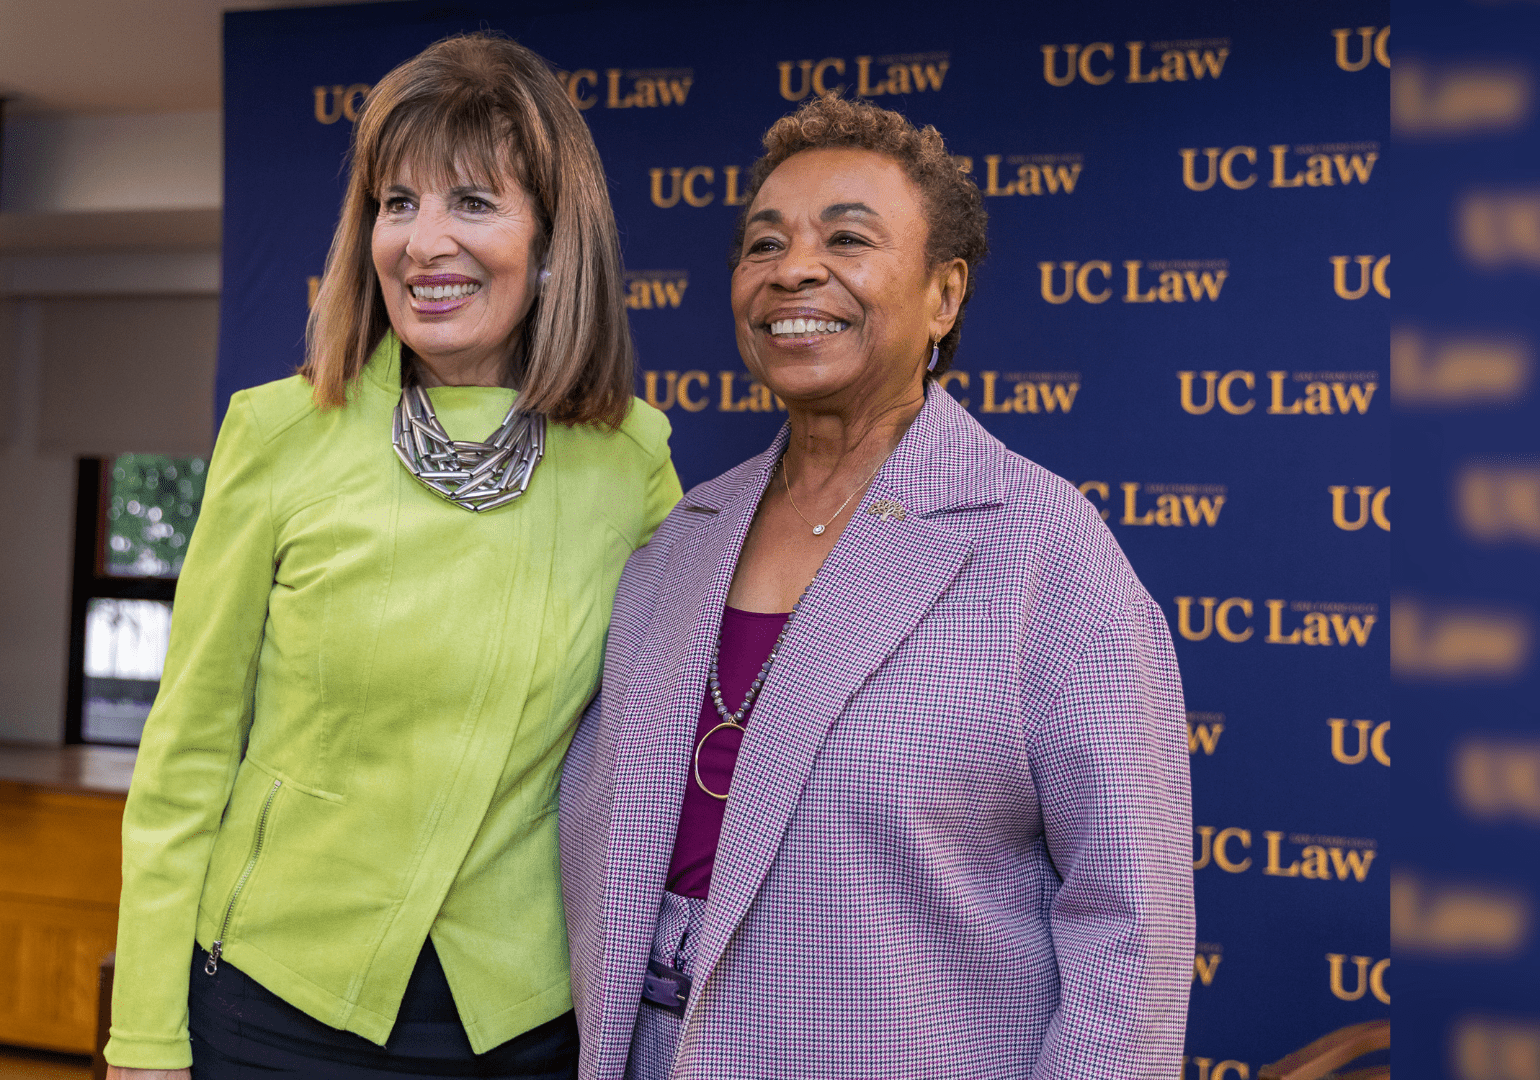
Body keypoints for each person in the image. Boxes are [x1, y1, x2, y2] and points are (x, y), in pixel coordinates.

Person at [559, 95, 1194, 1079]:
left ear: (944, 296)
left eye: (846, 238)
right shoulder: (679, 540)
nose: (793, 269)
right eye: (763, 244)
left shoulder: (1041, 547)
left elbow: (1133, 924)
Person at [106, 33, 680, 1080]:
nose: (422, 242)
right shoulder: (281, 433)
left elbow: (659, 759)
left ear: (555, 242)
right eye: (396, 202)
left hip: (523, 1023)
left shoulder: (630, 465)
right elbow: (184, 760)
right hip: (276, 1006)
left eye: (471, 201)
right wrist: (143, 1034)